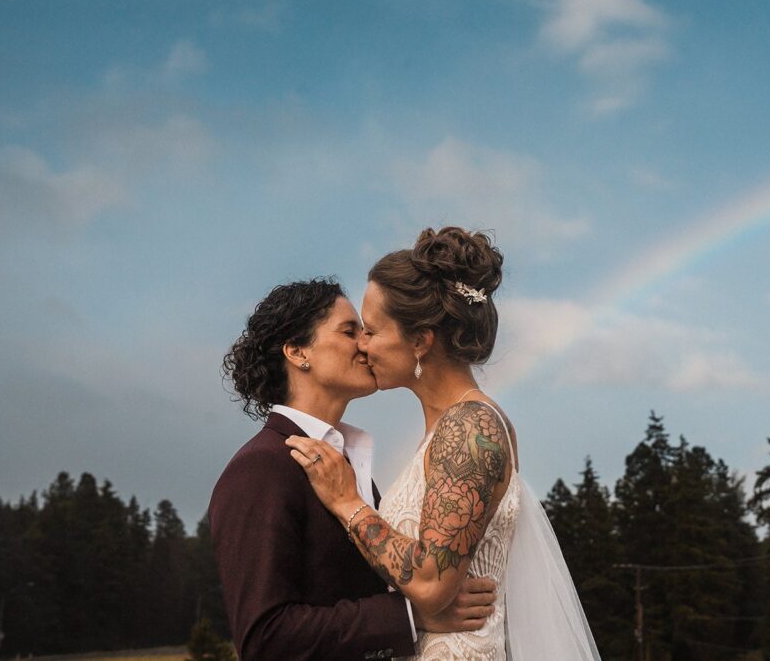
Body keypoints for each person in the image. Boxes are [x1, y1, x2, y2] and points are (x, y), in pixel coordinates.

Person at [286, 228, 600, 659]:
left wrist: (347, 502)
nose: (361, 345)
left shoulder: (469, 427)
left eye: (372, 330)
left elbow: (432, 583)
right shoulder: (446, 430)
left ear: (419, 340)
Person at [209, 278, 497, 661]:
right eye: (350, 331)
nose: (366, 344)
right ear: (297, 351)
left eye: (366, 331)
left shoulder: (348, 461)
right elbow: (265, 639)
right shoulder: (260, 468)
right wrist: (411, 615)